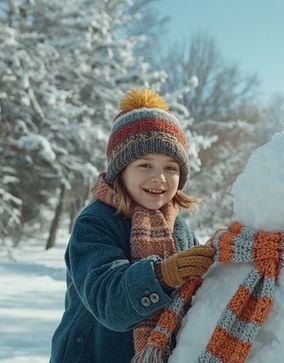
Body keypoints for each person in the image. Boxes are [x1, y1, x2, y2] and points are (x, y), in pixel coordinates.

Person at [50, 88, 215, 363]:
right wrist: (163, 275)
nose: (159, 178)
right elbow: (108, 302)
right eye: (144, 165)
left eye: (170, 167)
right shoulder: (95, 223)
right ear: (120, 170)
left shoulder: (180, 230)